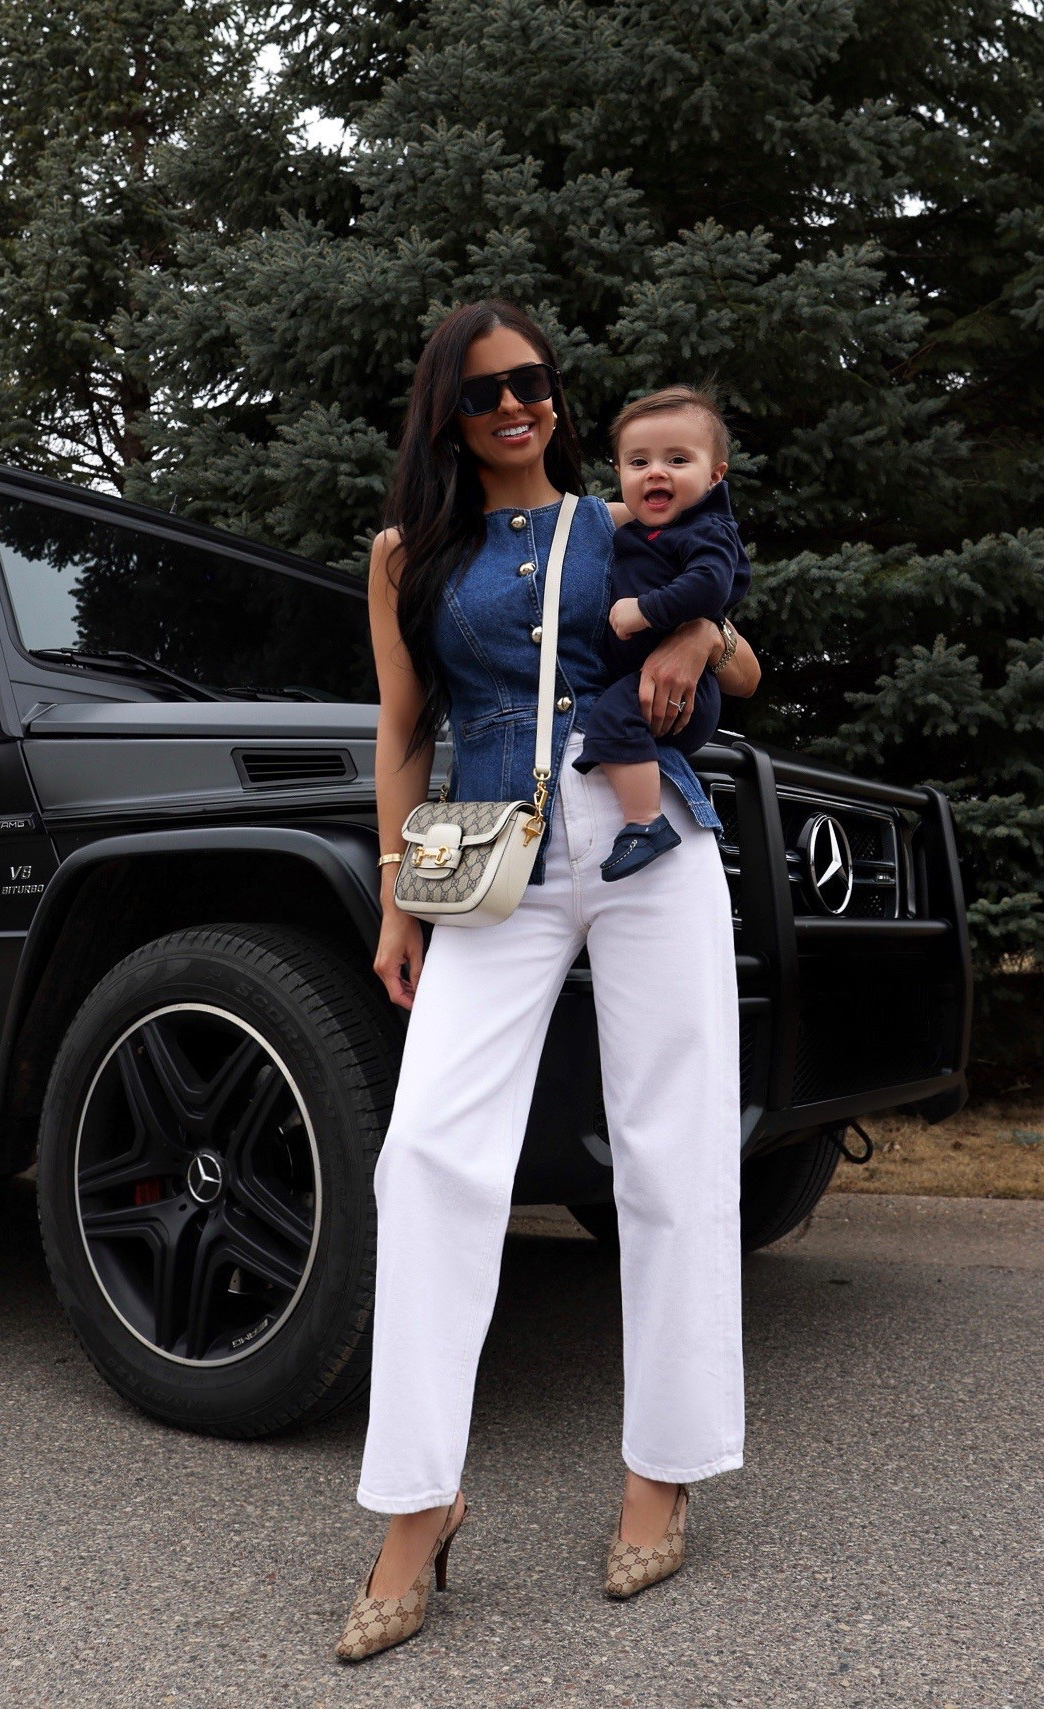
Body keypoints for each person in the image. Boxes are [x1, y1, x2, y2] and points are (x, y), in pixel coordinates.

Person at [335, 298, 762, 1662]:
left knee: (670, 1144)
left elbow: (737, 655)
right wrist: (394, 892)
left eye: (530, 382)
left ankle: (661, 1472)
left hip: (646, 834)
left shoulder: (624, 517)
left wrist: (694, 642)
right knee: (430, 1158)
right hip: (484, 857)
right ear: (446, 417)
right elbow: (402, 729)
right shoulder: (409, 553)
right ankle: (416, 1503)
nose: (514, 405)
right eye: (483, 393)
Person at [572, 384, 751, 879]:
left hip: (677, 696)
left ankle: (646, 824)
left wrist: (648, 612)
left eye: (677, 459)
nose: (656, 471)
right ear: (618, 473)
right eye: (638, 462)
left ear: (715, 477)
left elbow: (712, 587)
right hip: (637, 682)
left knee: (611, 717)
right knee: (614, 713)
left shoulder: (706, 530)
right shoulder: (632, 531)